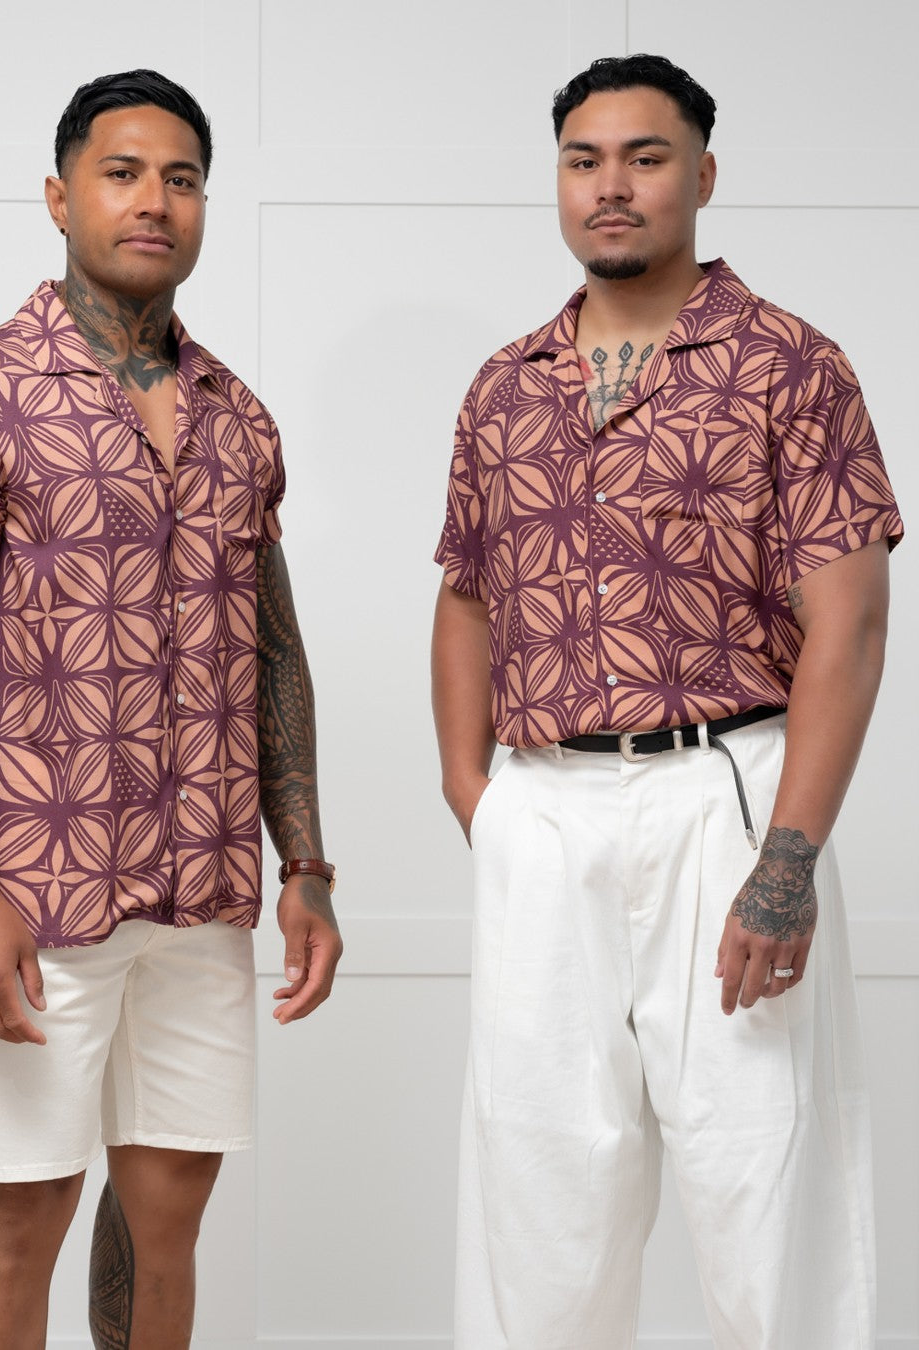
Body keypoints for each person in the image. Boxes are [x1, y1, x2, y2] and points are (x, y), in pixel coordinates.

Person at [431, 53, 903, 1350]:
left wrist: (787, 857)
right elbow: (466, 592)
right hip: (540, 809)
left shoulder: (791, 366)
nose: (612, 185)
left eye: (644, 156)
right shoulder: (505, 384)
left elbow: (849, 624)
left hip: (725, 799)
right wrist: (481, 800)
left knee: (764, 1179)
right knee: (539, 1191)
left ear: (703, 173)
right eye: (584, 160)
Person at [0, 68, 341, 1350]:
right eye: (123, 173)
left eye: (182, 178)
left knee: (169, 1219)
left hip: (202, 888)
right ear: (59, 195)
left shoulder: (238, 418)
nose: (155, 201)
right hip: (42, 890)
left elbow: (274, 648)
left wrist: (304, 860)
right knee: (20, 1216)